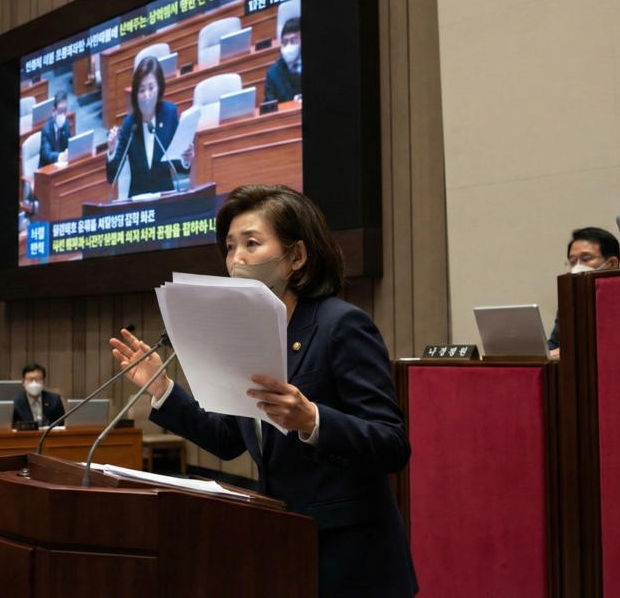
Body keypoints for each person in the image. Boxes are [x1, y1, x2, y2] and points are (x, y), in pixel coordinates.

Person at [110, 185, 418, 597]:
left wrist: (314, 421)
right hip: (283, 550)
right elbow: (227, 440)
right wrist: (162, 388)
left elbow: (392, 445)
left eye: (251, 244)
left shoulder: (340, 325)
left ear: (296, 256)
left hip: (351, 560)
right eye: (230, 247)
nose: (236, 259)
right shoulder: (245, 335)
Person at [106, 56, 194, 198]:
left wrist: (186, 159)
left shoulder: (169, 114)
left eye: (151, 88)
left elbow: (180, 167)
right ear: (136, 94)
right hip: (138, 201)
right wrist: (112, 150)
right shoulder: (130, 124)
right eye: (141, 90)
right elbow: (112, 177)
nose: (147, 95)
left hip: (166, 197)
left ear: (159, 87)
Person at [548, 227, 620, 358]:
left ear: (612, 264)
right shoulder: (569, 303)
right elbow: (553, 347)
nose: (577, 267)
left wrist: (570, 352)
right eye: (572, 261)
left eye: (586, 259)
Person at [264, 17, 302, 104]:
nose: (288, 46)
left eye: (293, 41)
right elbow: (270, 106)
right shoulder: (273, 74)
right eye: (284, 42)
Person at [40, 90, 72, 167]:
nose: (63, 114)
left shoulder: (66, 124)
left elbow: (71, 143)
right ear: (54, 111)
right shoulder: (46, 131)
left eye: (64, 110)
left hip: (62, 166)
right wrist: (60, 156)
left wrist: (69, 151)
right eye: (60, 110)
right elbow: (47, 154)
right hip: (47, 168)